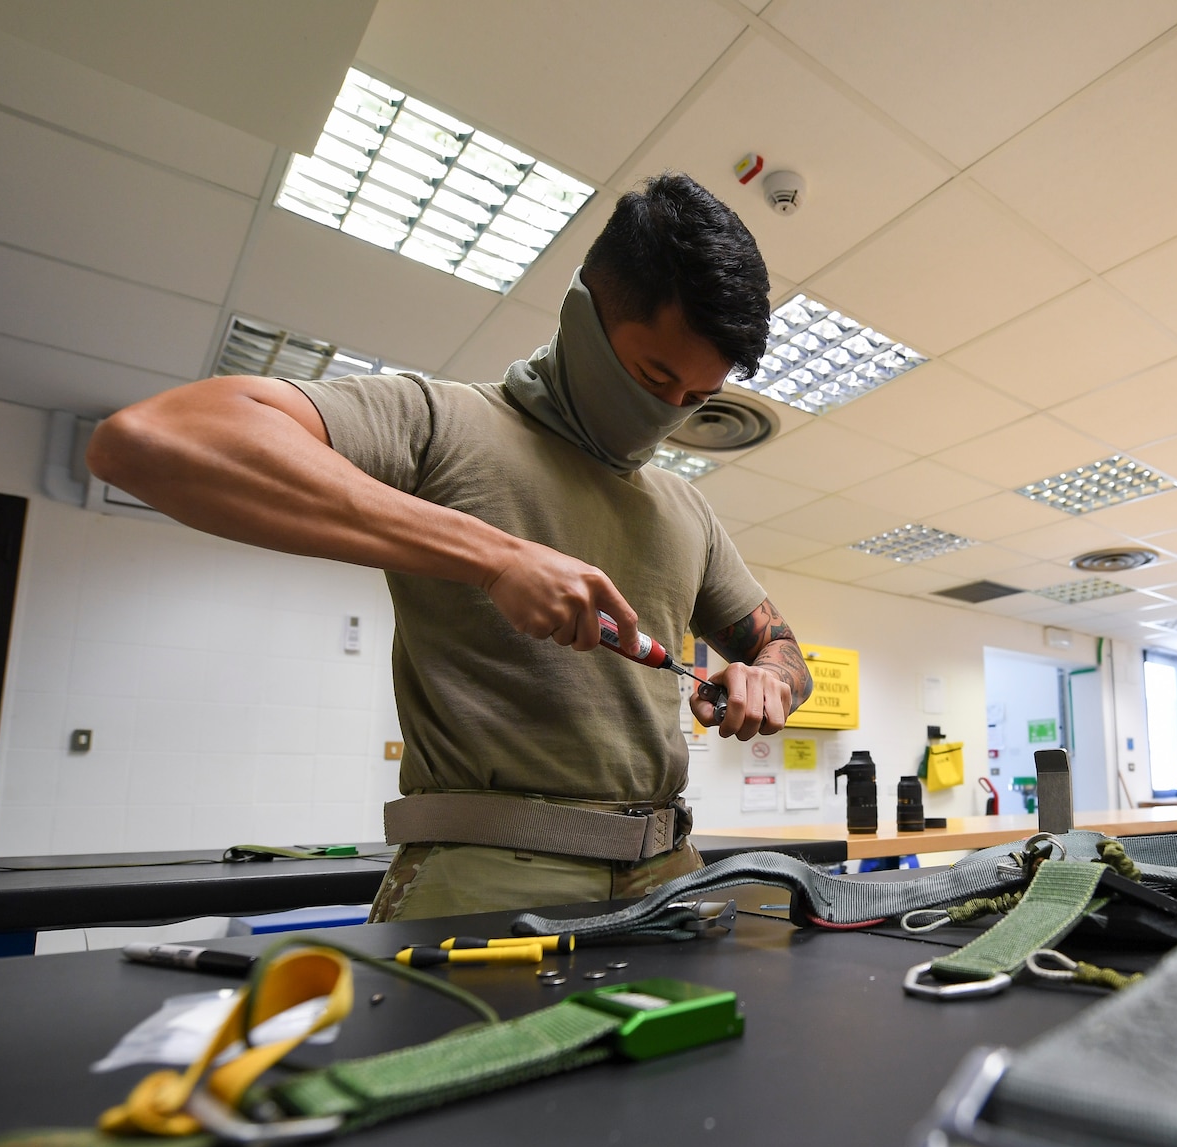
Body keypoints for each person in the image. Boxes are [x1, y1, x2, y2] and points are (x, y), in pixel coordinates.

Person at [88, 173, 813, 919]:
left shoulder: (686, 509)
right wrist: (492, 556)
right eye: (653, 375)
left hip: (670, 879)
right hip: (485, 880)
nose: (665, 414)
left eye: (694, 400)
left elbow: (784, 651)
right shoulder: (443, 422)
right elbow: (147, 442)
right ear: (582, 316)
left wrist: (769, 680)